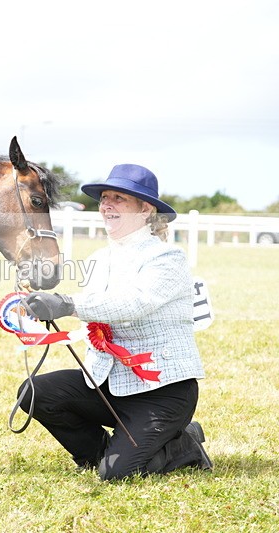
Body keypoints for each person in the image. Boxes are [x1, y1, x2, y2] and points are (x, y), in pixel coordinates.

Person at [18, 163, 211, 481]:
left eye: (119, 198)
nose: (106, 204)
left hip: (161, 391)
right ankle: (98, 455)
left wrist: (67, 303)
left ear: (145, 208)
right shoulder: (98, 258)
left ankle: (183, 444)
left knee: (117, 475)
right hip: (105, 381)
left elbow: (135, 303)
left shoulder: (167, 258)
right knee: (34, 392)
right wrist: (43, 308)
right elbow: (97, 315)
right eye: (104, 198)